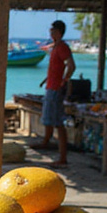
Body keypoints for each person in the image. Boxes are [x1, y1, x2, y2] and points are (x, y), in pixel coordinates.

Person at [39, 19, 76, 166]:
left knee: (58, 122)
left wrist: (64, 80)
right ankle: (46, 142)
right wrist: (46, 80)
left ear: (59, 32)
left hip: (56, 89)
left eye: (53, 30)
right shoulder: (55, 47)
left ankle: (62, 158)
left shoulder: (62, 48)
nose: (50, 32)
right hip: (50, 86)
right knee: (49, 119)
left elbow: (71, 66)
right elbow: (56, 68)